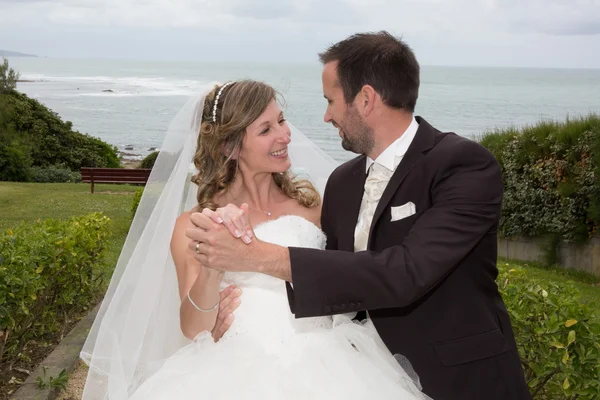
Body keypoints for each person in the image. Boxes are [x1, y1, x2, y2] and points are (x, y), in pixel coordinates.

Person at [187, 32, 532, 400]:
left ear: (365, 99)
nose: (325, 116)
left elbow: (405, 272)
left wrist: (253, 256)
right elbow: (341, 284)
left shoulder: (463, 165)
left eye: (331, 101)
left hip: (461, 384)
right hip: (358, 377)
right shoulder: (342, 182)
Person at [80, 79, 430, 400]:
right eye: (266, 129)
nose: (285, 135)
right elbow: (193, 328)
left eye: (281, 120)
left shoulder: (315, 208)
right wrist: (213, 266)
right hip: (234, 372)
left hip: (330, 366)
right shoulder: (196, 224)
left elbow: (351, 277)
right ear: (231, 146)